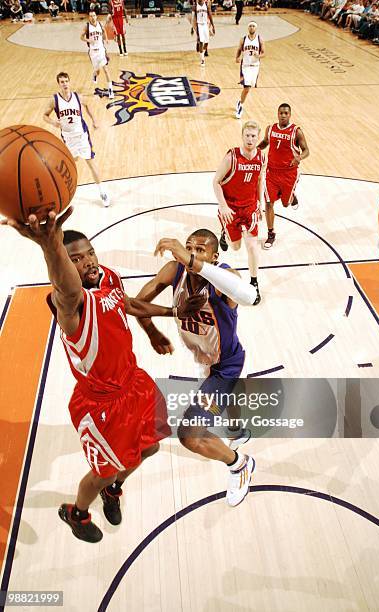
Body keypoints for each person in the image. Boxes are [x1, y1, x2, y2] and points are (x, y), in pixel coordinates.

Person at [1, 209, 204, 542]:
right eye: (77, 259)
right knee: (102, 472)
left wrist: (168, 316)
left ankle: (114, 491)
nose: (89, 261)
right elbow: (66, 286)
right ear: (64, 265)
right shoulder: (69, 305)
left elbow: (130, 305)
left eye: (90, 253)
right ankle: (76, 513)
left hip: (135, 384)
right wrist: (50, 245)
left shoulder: (107, 277)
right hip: (101, 406)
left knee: (149, 450)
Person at [135, 229, 257, 507]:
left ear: (214, 257)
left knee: (190, 434)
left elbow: (247, 294)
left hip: (226, 364)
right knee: (221, 397)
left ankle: (240, 465)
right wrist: (154, 331)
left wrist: (191, 259)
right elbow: (137, 304)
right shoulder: (174, 271)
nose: (190, 252)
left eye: (199, 249)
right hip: (205, 360)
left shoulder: (225, 279)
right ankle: (238, 431)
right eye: (188, 246)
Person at [213, 120, 265, 305]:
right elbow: (216, 182)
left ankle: (254, 282)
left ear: (258, 138)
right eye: (247, 136)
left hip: (250, 207)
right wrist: (223, 206)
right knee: (235, 247)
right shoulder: (231, 157)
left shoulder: (261, 157)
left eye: (253, 136)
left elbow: (260, 181)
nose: (250, 139)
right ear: (242, 136)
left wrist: (261, 203)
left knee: (252, 246)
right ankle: (224, 234)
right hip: (231, 208)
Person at [43, 72, 111, 207]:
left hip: (82, 136)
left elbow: (88, 106)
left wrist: (94, 120)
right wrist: (53, 122)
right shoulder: (54, 100)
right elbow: (44, 115)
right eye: (62, 82)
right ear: (59, 84)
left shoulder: (78, 97)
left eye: (66, 81)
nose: (65, 84)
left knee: (91, 163)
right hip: (68, 138)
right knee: (70, 164)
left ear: (69, 82)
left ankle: (102, 191)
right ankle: (64, 192)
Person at [258, 103, 310, 248]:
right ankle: (271, 234)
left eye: (286, 113)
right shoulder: (271, 129)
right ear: (277, 114)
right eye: (281, 113)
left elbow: (306, 150)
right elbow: (265, 142)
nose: (283, 115)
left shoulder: (296, 132)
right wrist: (255, 149)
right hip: (272, 172)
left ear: (290, 115)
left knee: (285, 204)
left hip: (289, 174)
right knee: (268, 202)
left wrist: (299, 157)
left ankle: (291, 197)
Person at [81, 10, 114, 99]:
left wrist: (106, 39)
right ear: (89, 17)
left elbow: (104, 31)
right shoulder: (87, 27)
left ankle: (110, 90)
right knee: (98, 71)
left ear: (96, 16)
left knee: (106, 70)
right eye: (91, 16)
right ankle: (94, 75)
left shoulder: (100, 24)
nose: (92, 17)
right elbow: (81, 37)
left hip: (101, 50)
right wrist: (88, 40)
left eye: (94, 15)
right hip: (93, 52)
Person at [235, 21, 265, 120]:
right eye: (250, 26)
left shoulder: (260, 39)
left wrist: (259, 55)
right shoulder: (243, 39)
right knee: (246, 87)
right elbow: (239, 49)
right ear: (248, 28)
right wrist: (237, 57)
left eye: (253, 26)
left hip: (255, 66)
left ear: (256, 28)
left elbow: (264, 53)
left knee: (249, 87)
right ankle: (241, 106)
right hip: (245, 65)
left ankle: (239, 101)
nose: (252, 27)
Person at [192, 0, 215, 66]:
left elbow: (210, 15)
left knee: (207, 42)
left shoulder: (207, 5)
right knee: (201, 41)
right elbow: (193, 18)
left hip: (205, 25)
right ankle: (202, 59)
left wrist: (213, 26)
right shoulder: (195, 6)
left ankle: (202, 53)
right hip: (199, 25)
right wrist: (192, 28)